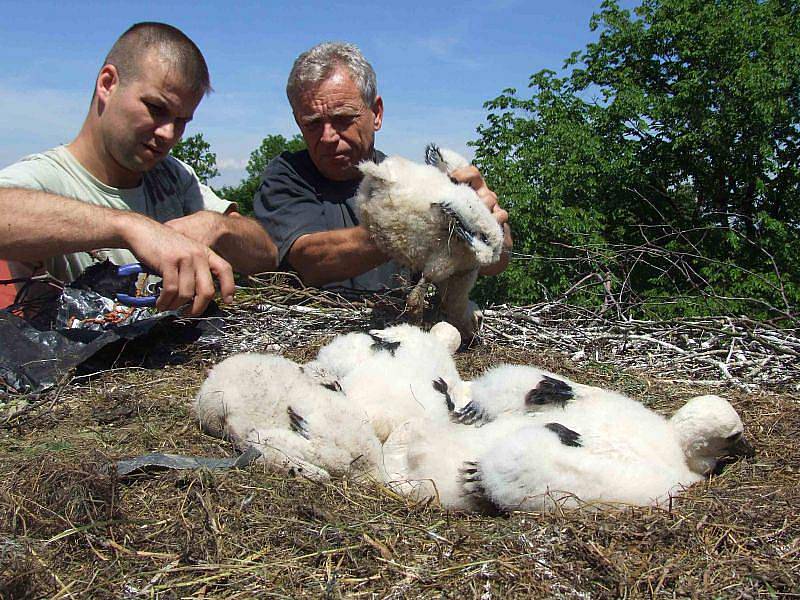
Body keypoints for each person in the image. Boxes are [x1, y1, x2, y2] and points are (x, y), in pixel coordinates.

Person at [0, 22, 278, 316]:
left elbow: (267, 255)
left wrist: (219, 226)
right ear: (108, 84)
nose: (169, 134)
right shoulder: (48, 178)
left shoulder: (174, 177)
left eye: (182, 120)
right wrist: (131, 227)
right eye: (156, 108)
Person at [254, 42, 512, 295]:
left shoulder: (409, 181)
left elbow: (495, 264)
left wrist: (487, 222)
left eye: (343, 119)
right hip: (309, 333)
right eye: (312, 124)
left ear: (376, 113)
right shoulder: (287, 176)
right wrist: (416, 224)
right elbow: (309, 260)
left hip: (399, 331)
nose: (328, 137)